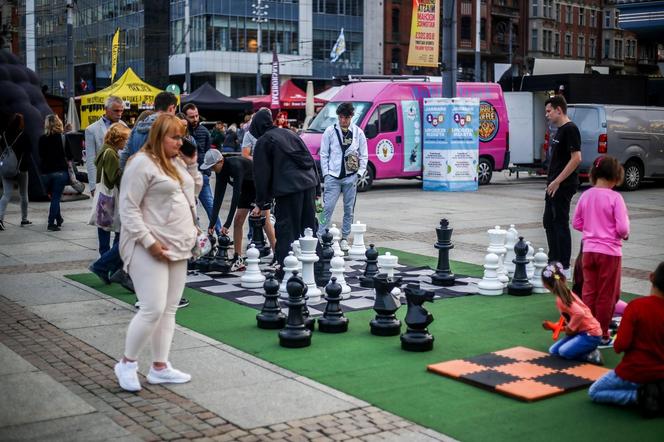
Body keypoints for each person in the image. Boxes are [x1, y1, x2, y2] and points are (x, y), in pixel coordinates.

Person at [114, 114, 201, 392]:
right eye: (174, 137)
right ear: (159, 136)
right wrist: (149, 241)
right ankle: (127, 363)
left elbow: (192, 192)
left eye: (181, 137)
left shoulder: (176, 162)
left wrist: (193, 164)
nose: (180, 142)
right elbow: (127, 208)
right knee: (152, 308)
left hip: (178, 245)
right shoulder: (141, 163)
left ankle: (160, 366)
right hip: (148, 246)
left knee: (169, 310)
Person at [588, 262, 664, 413]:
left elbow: (620, 346)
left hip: (635, 370)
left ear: (651, 277)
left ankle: (641, 397)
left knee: (595, 392)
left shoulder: (637, 307)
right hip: (661, 374)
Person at [251, 108, 320, 271]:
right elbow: (309, 159)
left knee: (286, 230)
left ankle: (286, 270)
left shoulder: (264, 141)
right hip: (309, 185)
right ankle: (316, 269)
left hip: (288, 190)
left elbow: (261, 175)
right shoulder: (290, 134)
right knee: (309, 229)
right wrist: (317, 189)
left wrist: (261, 203)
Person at [572, 155, 630, 347]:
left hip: (588, 251)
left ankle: (587, 329)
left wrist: (591, 230)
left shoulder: (585, 195)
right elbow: (622, 229)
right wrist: (621, 234)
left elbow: (577, 223)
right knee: (607, 295)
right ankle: (602, 334)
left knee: (589, 292)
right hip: (610, 253)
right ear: (616, 177)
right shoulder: (616, 198)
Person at [202, 150, 276, 270]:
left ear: (220, 161)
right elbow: (218, 197)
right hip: (246, 190)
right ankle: (238, 258)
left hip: (260, 187)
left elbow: (235, 197)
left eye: (213, 166)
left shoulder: (235, 166)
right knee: (238, 221)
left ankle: (277, 254)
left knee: (265, 221)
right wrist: (212, 223)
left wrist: (226, 224)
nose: (212, 170)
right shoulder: (220, 171)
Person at [317, 102, 368, 250]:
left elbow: (364, 155)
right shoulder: (330, 131)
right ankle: (321, 235)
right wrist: (326, 174)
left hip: (350, 176)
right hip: (333, 176)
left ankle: (345, 237)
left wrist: (359, 173)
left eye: (346, 117)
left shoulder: (358, 133)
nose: (343, 120)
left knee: (349, 208)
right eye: (341, 117)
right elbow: (324, 154)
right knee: (327, 207)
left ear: (351, 117)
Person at [88, 123, 133, 291]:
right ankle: (102, 265)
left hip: (104, 199)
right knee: (122, 235)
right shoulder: (111, 154)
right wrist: (128, 167)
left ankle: (108, 267)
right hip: (112, 200)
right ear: (118, 139)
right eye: (125, 140)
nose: (126, 144)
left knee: (110, 234)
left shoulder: (104, 150)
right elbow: (115, 178)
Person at [543, 95, 581, 278]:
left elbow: (577, 158)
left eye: (549, 111)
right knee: (548, 221)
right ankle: (554, 260)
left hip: (562, 186)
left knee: (559, 223)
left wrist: (558, 181)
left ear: (559, 110)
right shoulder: (559, 131)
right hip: (552, 185)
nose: (547, 115)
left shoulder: (570, 129)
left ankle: (564, 266)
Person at [541, 262, 603, 365]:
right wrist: (557, 326)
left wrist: (570, 328)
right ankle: (582, 348)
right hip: (580, 332)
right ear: (563, 279)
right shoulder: (565, 294)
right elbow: (569, 316)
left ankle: (591, 354)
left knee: (564, 352)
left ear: (545, 285)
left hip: (591, 335)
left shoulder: (562, 298)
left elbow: (579, 313)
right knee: (553, 351)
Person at [182, 103, 221, 234]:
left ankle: (221, 232)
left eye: (196, 115)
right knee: (191, 208)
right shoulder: (181, 131)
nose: (195, 119)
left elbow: (208, 153)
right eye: (191, 117)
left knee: (210, 205)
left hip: (201, 173)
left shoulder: (204, 132)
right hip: (185, 176)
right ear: (185, 117)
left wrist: (206, 171)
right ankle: (195, 236)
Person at [120, 91, 178, 169]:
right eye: (175, 110)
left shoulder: (137, 128)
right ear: (171, 108)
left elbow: (124, 157)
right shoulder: (167, 130)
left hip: (137, 176)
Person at [38, 114, 72, 231]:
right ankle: (51, 223)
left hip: (45, 173)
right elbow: (70, 156)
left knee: (53, 197)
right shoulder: (62, 138)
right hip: (60, 172)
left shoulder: (42, 139)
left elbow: (40, 155)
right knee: (56, 197)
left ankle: (59, 218)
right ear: (58, 123)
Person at [85, 96, 125, 195]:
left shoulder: (124, 126)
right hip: (103, 180)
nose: (119, 114)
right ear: (106, 109)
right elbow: (90, 159)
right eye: (116, 111)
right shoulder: (92, 129)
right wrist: (93, 186)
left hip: (121, 180)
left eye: (121, 111)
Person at [0, 112, 31, 230]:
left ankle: (0, 218)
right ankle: (24, 219)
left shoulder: (3, 134)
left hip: (6, 168)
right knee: (23, 194)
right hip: (21, 169)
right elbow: (29, 152)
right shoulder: (24, 135)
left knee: (6, 194)